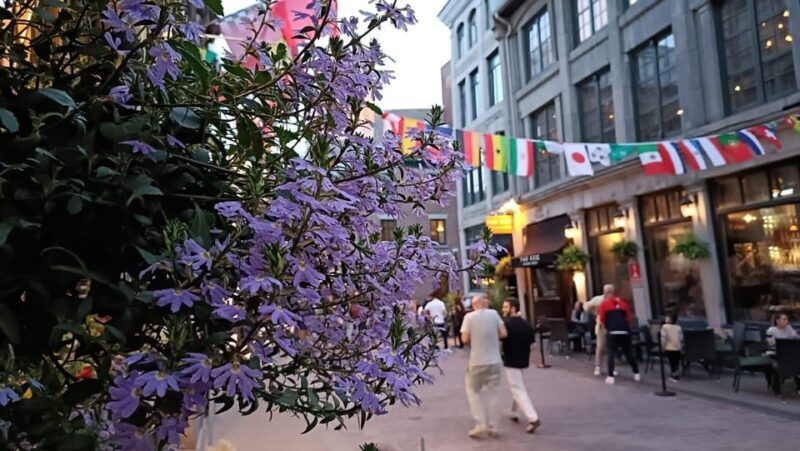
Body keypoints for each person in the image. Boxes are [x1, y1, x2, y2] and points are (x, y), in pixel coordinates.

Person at [460, 293, 507, 439]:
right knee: (494, 393)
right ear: (484, 303)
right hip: (495, 360)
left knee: (472, 390)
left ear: (474, 304)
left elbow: (465, 338)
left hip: (477, 361)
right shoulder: (494, 314)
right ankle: (494, 426)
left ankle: (480, 424)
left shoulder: (469, 317)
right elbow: (504, 333)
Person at [500, 298, 541, 434]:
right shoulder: (526, 324)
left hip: (511, 360)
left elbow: (500, 340)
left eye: (505, 307)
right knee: (517, 385)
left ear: (512, 308)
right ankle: (514, 412)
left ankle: (533, 418)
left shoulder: (506, 324)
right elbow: (532, 344)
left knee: (517, 388)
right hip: (523, 360)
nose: (503, 310)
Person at [597, 291, 641, 385]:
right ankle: (636, 373)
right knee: (628, 352)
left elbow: (602, 319)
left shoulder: (604, 305)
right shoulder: (623, 304)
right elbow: (629, 318)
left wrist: (606, 329)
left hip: (612, 331)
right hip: (624, 331)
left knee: (611, 353)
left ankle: (610, 376)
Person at [584, 284, 615, 376]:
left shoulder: (614, 300)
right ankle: (598, 366)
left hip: (612, 326)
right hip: (602, 326)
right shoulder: (598, 299)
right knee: (600, 347)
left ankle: (611, 368)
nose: (609, 293)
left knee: (611, 348)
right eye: (607, 291)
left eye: (610, 291)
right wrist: (592, 310)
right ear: (604, 291)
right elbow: (586, 306)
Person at [660, 313, 683, 382]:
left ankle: (673, 374)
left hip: (669, 347)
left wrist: (662, 347)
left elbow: (663, 338)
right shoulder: (678, 327)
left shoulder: (664, 327)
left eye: (667, 317)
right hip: (678, 347)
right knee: (676, 360)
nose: (665, 318)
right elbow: (681, 338)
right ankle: (677, 372)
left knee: (671, 361)